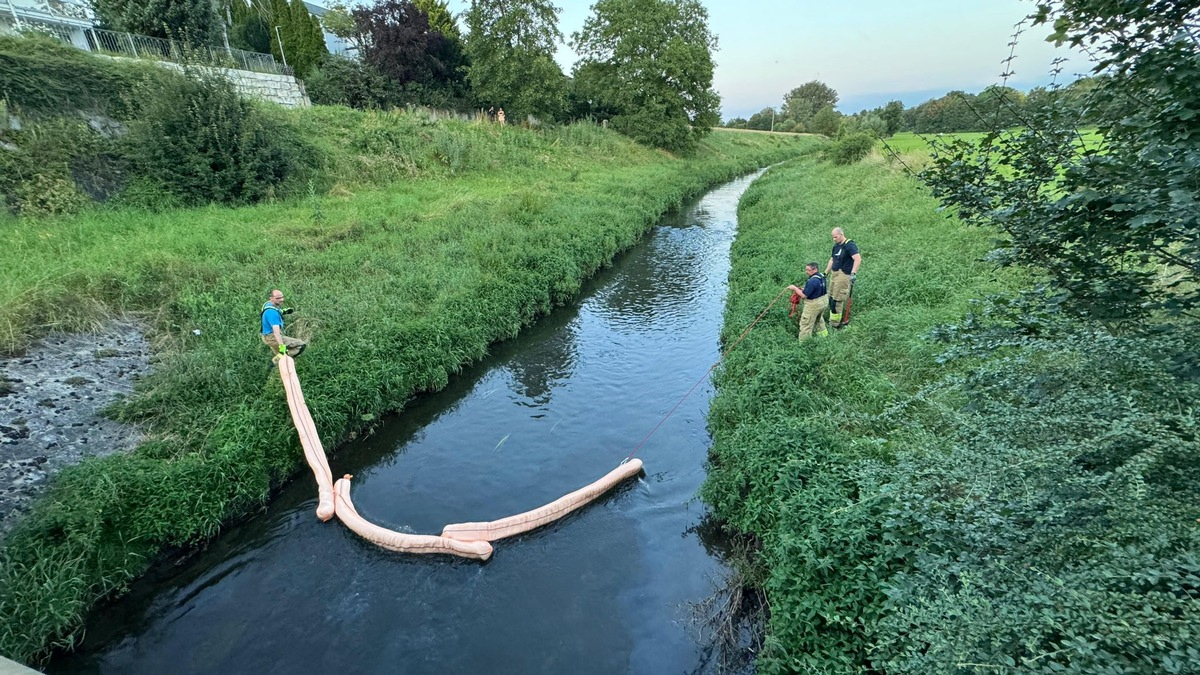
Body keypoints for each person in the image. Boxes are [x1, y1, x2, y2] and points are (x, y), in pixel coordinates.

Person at [824, 227, 861, 328]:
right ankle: (831, 319)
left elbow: (857, 259)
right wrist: (825, 273)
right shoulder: (836, 246)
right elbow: (832, 259)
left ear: (841, 234)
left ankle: (835, 324)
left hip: (844, 274)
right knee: (831, 297)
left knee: (837, 299)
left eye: (835, 237)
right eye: (832, 237)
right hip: (834, 273)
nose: (834, 239)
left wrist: (853, 273)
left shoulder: (849, 245)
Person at [787, 263, 829, 340]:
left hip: (813, 305)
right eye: (806, 269)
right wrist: (805, 289)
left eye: (809, 270)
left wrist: (795, 288)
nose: (806, 272)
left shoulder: (812, 281)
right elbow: (816, 290)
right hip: (823, 301)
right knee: (818, 319)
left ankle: (804, 343)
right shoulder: (821, 276)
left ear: (815, 269)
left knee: (806, 323)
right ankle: (823, 337)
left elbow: (803, 296)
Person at [261, 289, 305, 360]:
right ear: (271, 298)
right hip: (272, 337)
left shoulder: (268, 304)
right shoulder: (272, 314)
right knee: (301, 345)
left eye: (282, 297)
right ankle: (276, 361)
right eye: (278, 298)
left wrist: (283, 311)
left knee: (280, 356)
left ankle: (277, 363)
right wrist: (282, 347)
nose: (281, 300)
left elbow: (274, 310)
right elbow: (276, 333)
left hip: (266, 335)